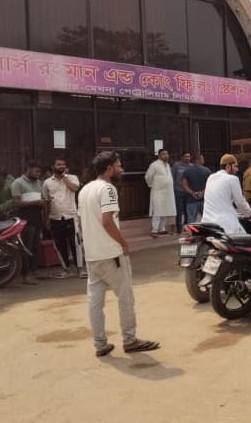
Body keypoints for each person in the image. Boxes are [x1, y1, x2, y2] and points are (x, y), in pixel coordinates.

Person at [77, 152, 159, 357]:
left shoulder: (85, 189)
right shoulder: (108, 189)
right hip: (111, 254)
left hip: (92, 255)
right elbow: (107, 221)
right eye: (119, 166)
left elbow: (80, 223)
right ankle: (130, 340)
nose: (121, 170)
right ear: (109, 169)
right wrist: (123, 242)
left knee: (95, 302)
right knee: (125, 298)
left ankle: (100, 344)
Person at [43, 158, 80, 278]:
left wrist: (64, 177)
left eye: (63, 164)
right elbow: (46, 202)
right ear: (53, 166)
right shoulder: (47, 182)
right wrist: (47, 218)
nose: (61, 166)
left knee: (75, 243)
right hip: (55, 217)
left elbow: (74, 188)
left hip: (70, 216)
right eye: (58, 164)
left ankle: (80, 269)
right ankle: (66, 269)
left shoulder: (72, 177)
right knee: (60, 244)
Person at [11, 160, 46, 285]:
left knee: (36, 247)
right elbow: (16, 202)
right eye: (36, 171)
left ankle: (34, 271)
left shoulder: (38, 183)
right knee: (26, 247)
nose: (38, 174)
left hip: (37, 218)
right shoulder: (18, 183)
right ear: (29, 169)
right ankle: (25, 275)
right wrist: (35, 203)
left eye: (39, 172)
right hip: (25, 219)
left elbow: (40, 199)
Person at [201, 154, 251, 234]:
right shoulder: (233, 179)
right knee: (246, 240)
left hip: (207, 222)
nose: (237, 169)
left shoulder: (211, 177)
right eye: (235, 166)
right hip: (225, 224)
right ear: (228, 166)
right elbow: (240, 203)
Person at [145, 149, 176, 238]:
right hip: (157, 191)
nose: (165, 155)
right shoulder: (154, 165)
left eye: (167, 154)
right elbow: (148, 177)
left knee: (165, 210)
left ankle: (162, 229)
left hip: (168, 192)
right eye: (163, 154)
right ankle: (154, 230)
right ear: (159, 156)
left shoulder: (167, 165)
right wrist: (151, 185)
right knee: (157, 211)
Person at [181, 154, 211, 224]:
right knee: (207, 219)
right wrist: (202, 193)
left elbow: (184, 185)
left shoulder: (187, 171)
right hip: (204, 199)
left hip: (191, 200)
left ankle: (192, 233)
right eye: (202, 159)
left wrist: (193, 193)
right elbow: (210, 184)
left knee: (191, 220)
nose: (203, 160)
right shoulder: (207, 171)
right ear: (198, 160)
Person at [171, 151, 193, 232]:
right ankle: (179, 227)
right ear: (182, 157)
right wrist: (173, 189)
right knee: (179, 210)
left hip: (188, 191)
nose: (187, 158)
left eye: (189, 156)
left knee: (188, 210)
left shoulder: (192, 166)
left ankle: (186, 226)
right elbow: (172, 177)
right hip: (178, 191)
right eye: (185, 156)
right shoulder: (176, 165)